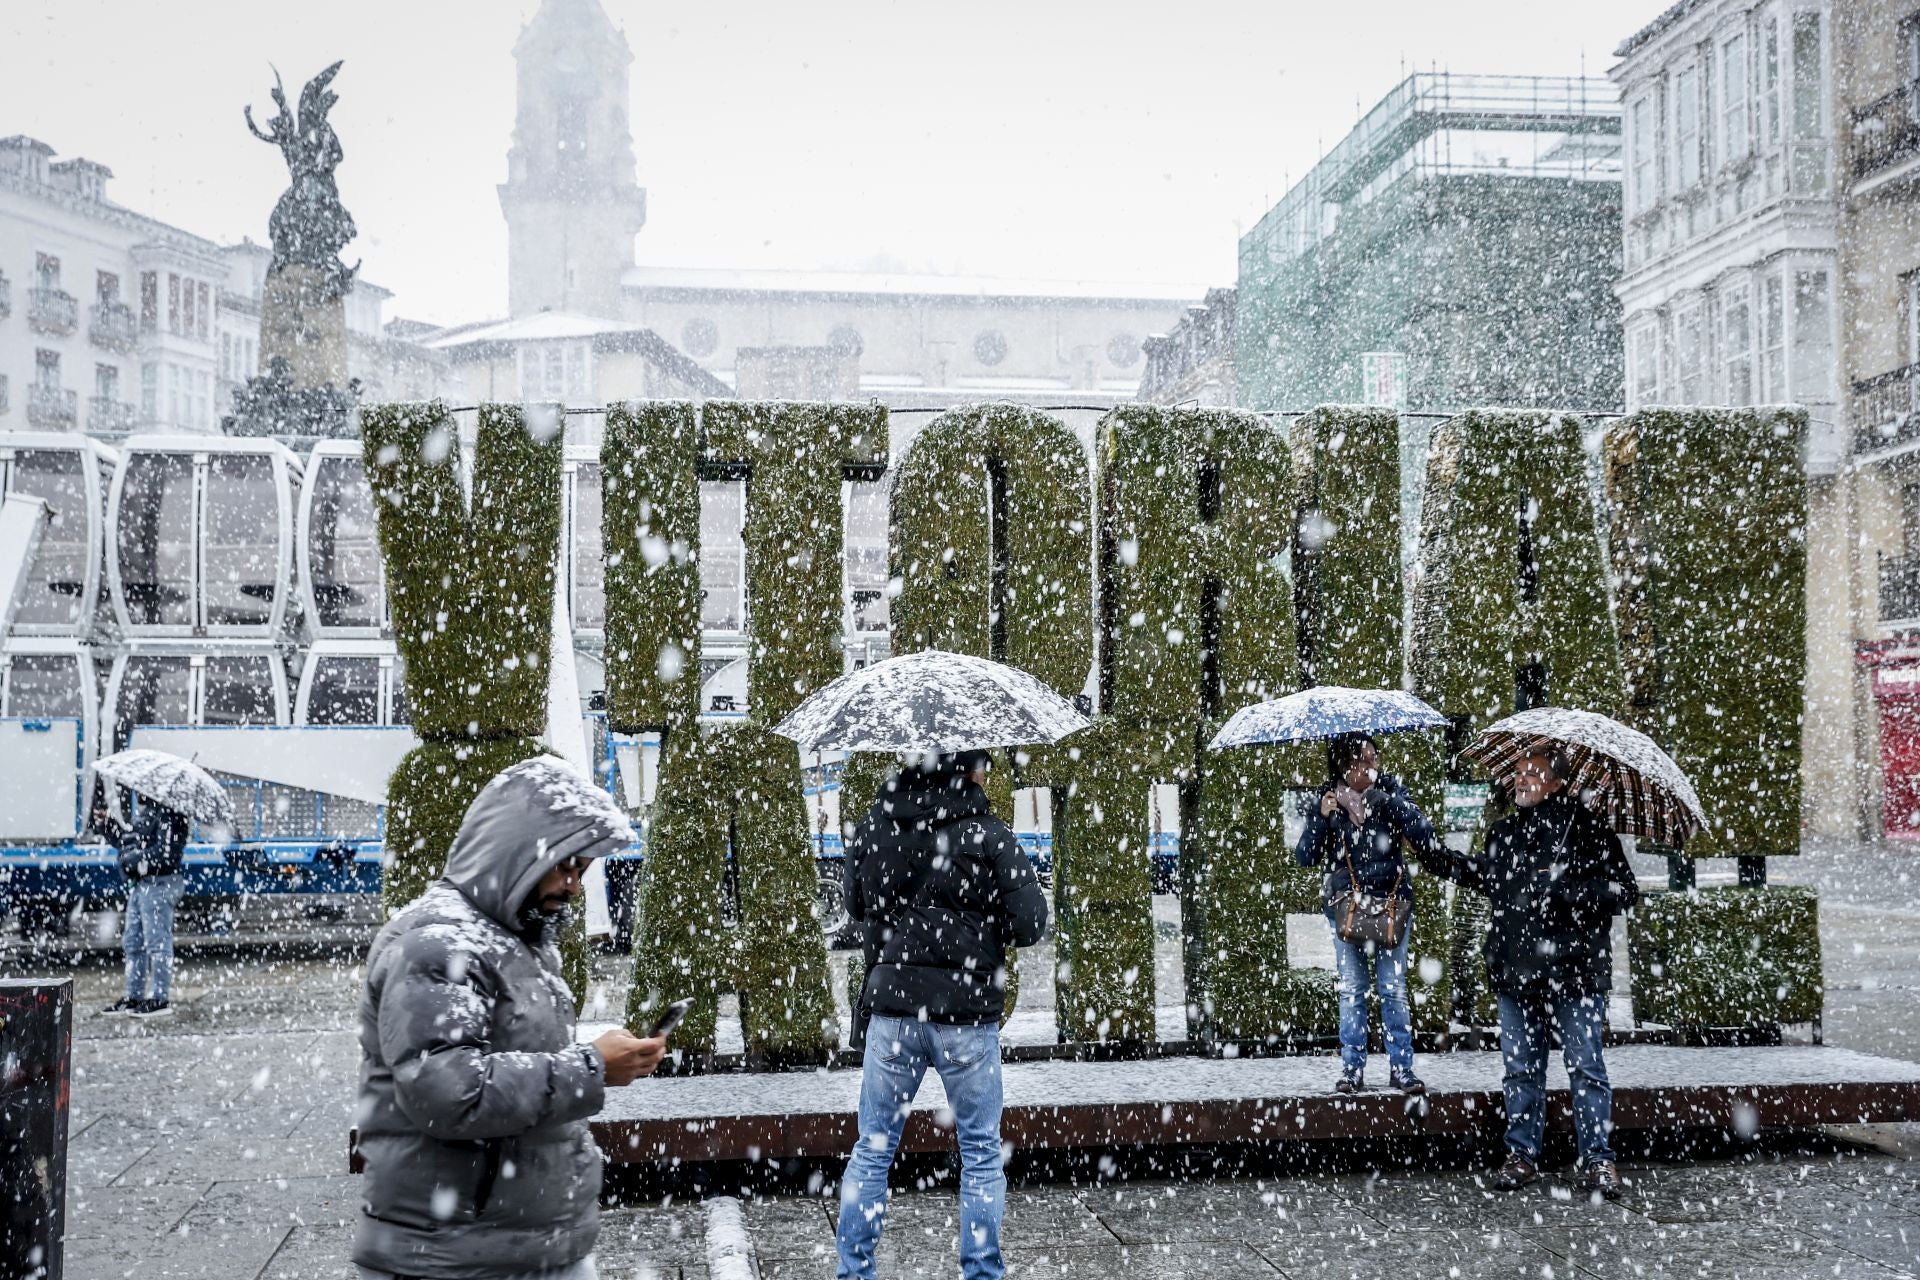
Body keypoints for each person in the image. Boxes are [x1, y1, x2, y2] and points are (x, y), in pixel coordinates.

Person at [352, 757, 666, 1280]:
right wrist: (590, 1066)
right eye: (564, 865)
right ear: (516, 852)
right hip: (453, 1256)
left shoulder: (512, 938)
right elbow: (452, 1095)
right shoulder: (438, 943)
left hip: (512, 1244)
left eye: (582, 869)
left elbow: (510, 1058)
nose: (572, 884)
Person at [837, 749, 1049, 1280]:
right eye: (983, 767)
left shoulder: (873, 825)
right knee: (979, 1152)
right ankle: (981, 1272)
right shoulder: (989, 834)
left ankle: (854, 1272)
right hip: (966, 1016)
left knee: (873, 1149)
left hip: (892, 1011)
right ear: (967, 770)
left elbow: (856, 906)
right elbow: (1030, 922)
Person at [1415, 747, 1639, 1200]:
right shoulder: (1505, 832)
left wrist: (1570, 890)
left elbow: (1625, 892)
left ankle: (1598, 1160)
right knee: (1520, 1070)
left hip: (1575, 973)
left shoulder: (1591, 832)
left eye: (1532, 773)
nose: (1521, 780)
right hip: (1515, 972)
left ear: (1558, 782)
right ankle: (1522, 1156)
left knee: (1586, 1067)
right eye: (1517, 773)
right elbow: (1482, 874)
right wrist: (1434, 854)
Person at [1294, 732, 1436, 1095]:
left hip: (1392, 904)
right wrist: (1321, 818)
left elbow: (1423, 832)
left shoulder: (1390, 790)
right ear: (1346, 766)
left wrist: (1387, 801)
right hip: (1347, 907)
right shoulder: (1327, 799)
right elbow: (1305, 857)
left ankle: (1402, 1068)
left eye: (1375, 757)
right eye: (1366, 760)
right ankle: (1351, 1069)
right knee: (1353, 990)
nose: (1374, 765)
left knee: (1393, 989)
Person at [102, 796, 192, 1019]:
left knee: (156, 942)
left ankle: (160, 998)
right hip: (144, 882)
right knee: (133, 942)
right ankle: (134, 996)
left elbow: (166, 853)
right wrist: (109, 828)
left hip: (159, 883)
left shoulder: (171, 815)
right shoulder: (151, 812)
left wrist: (137, 857)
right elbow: (130, 841)